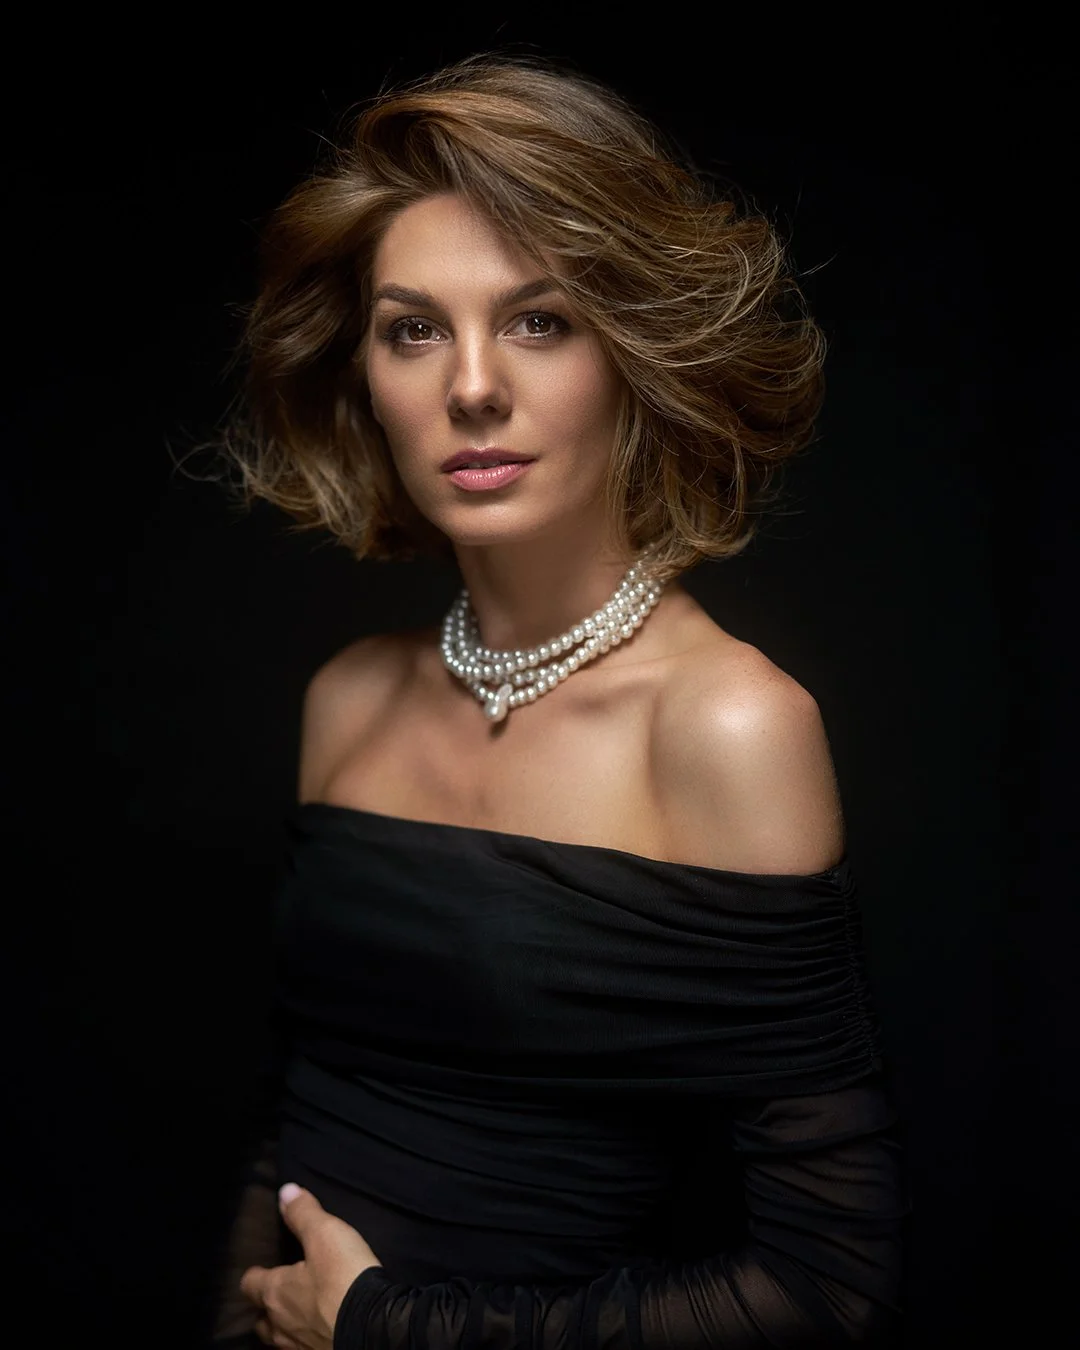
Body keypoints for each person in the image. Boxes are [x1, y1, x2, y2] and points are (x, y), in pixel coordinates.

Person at [208, 53, 909, 1349]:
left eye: (540, 318)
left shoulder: (727, 727)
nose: (472, 383)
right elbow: (291, 1152)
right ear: (364, 371)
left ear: (632, 349)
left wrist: (378, 1324)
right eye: (414, 327)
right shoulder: (348, 701)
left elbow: (827, 1285)